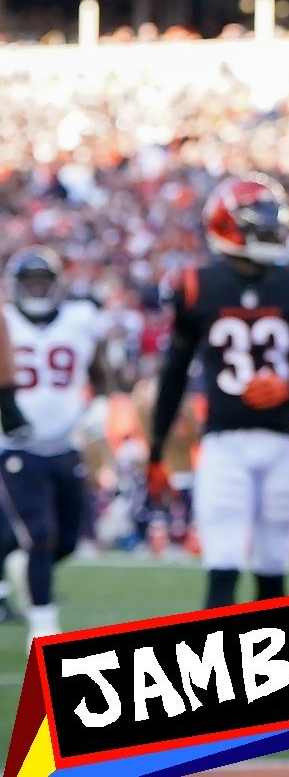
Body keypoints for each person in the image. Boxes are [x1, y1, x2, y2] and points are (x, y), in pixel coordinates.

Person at [149, 174, 289, 609]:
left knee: (273, 577)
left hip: (284, 443)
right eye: (259, 223)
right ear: (228, 226)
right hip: (223, 443)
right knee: (222, 571)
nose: (271, 232)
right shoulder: (197, 286)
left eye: (273, 223)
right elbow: (173, 374)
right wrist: (156, 449)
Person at [0, 249, 114, 643]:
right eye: (29, 280)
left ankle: (25, 565)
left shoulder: (81, 319)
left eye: (42, 280)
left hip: (67, 445)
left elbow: (102, 372)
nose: (36, 287)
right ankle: (43, 630)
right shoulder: (6, 322)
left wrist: (99, 406)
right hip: (17, 448)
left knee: (65, 539)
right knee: (42, 533)